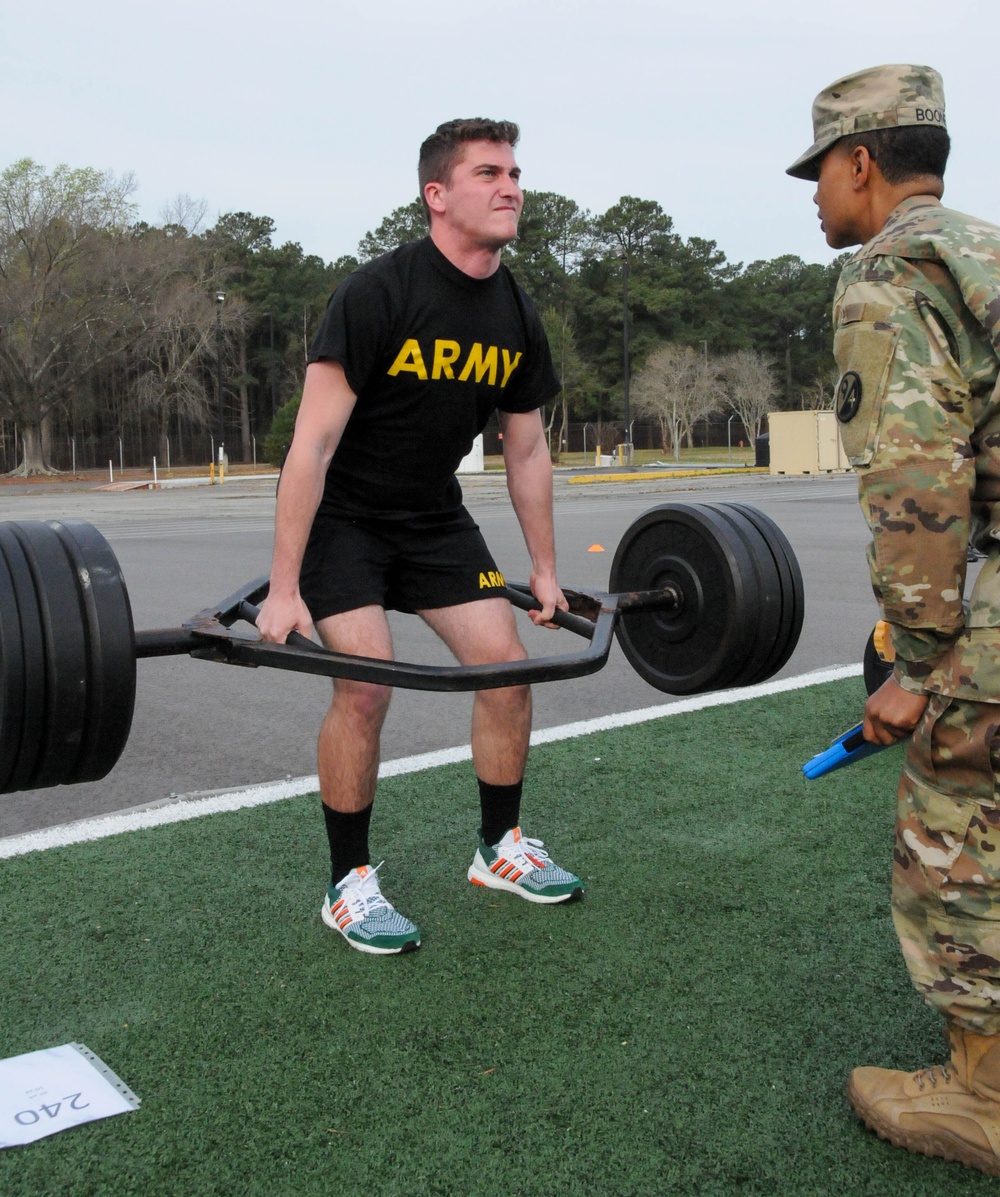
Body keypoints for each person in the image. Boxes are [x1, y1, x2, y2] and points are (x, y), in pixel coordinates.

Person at [257, 118, 584, 958]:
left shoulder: (515, 309)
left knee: (507, 669)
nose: (511, 185)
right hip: (347, 519)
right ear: (438, 195)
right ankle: (349, 884)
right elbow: (312, 444)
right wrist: (284, 586)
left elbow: (527, 448)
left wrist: (545, 571)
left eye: (514, 171)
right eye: (488, 172)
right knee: (364, 687)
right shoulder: (378, 292)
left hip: (434, 519)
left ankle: (498, 848)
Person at [788, 65, 1000, 1175]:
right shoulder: (987, 248)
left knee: (955, 851)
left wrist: (916, 667)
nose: (813, 195)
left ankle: (983, 1099)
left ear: (861, 163)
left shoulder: (890, 268)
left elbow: (920, 485)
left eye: (818, 170)